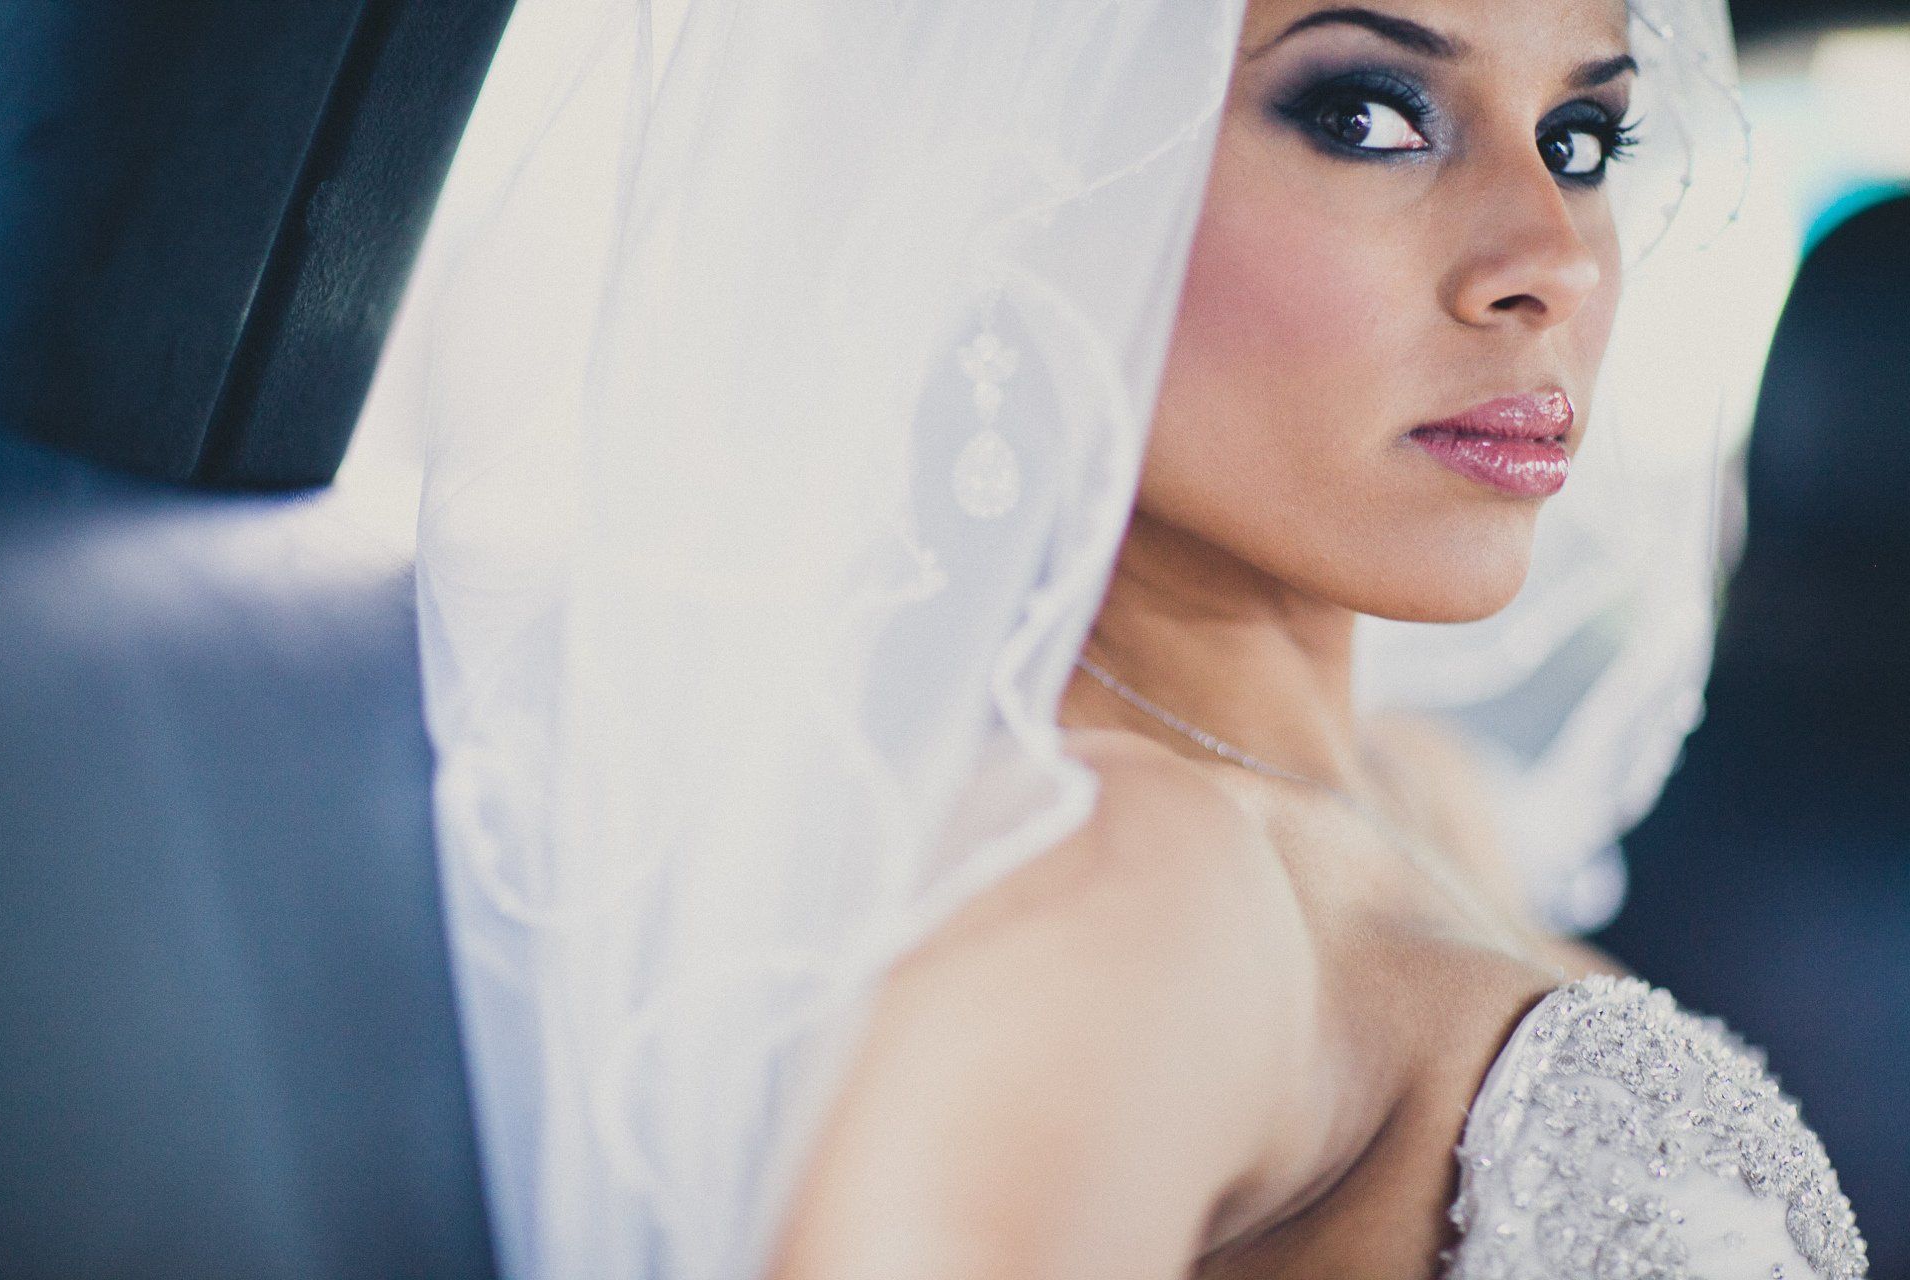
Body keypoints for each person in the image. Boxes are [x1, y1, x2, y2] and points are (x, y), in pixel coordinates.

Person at [407, 0, 1869, 1276]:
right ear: (1017, 195)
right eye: (1368, 117)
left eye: (1578, 140)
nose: (1553, 260)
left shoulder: (1421, 798)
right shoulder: (1124, 884)